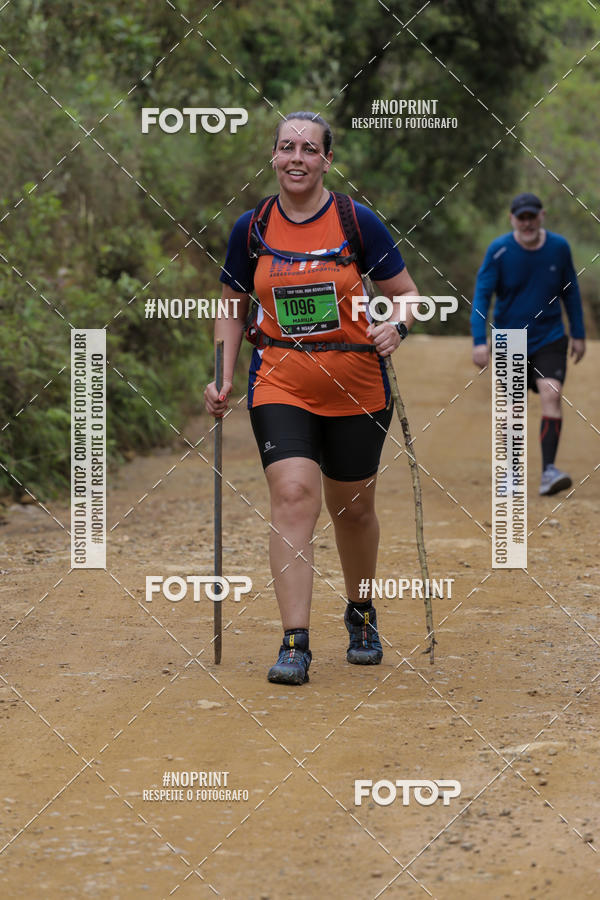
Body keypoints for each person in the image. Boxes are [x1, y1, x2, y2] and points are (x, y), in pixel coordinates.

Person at [204, 111, 419, 685]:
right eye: (285, 147)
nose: (296, 157)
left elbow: (406, 295)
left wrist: (396, 327)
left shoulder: (356, 221)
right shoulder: (251, 229)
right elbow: (231, 307)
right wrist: (222, 376)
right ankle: (295, 641)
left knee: (353, 509)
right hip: (280, 380)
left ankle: (362, 611)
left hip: (358, 385)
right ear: (273, 157)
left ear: (326, 159)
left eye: (308, 148)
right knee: (295, 495)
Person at [470, 192, 586, 496]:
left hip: (549, 336)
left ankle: (549, 471)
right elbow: (482, 296)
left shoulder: (559, 248)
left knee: (552, 393)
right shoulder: (499, 251)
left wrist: (579, 333)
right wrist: (480, 340)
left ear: (541, 216)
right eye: (521, 218)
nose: (527, 223)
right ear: (512, 219)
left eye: (531, 217)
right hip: (510, 338)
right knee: (512, 408)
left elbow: (570, 292)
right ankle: (510, 473)